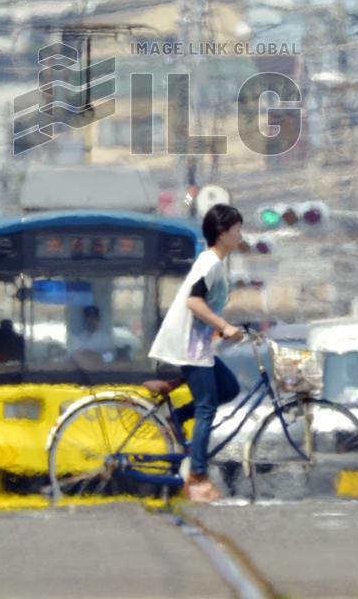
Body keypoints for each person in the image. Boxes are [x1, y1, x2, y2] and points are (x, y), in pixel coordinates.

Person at [149, 203, 244, 503]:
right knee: (207, 408)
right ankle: (197, 478)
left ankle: (176, 417)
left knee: (229, 388)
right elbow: (194, 302)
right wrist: (224, 325)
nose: (240, 234)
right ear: (222, 233)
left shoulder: (216, 262)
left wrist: (223, 331)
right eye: (237, 229)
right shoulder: (210, 263)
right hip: (189, 347)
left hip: (199, 345)